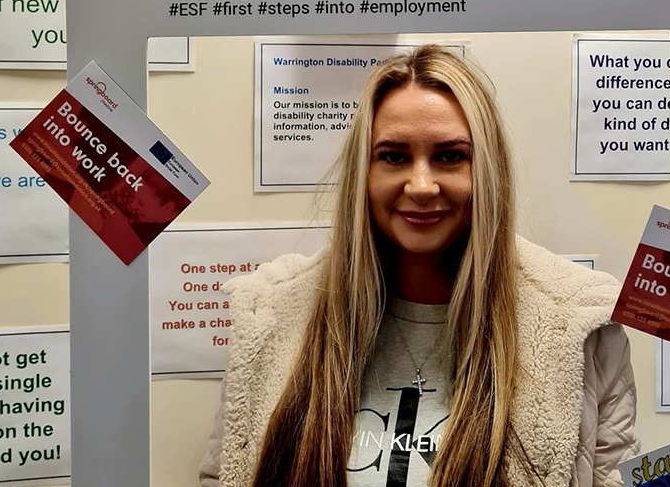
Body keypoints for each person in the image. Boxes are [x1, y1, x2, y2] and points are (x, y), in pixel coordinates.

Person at [200, 44, 639, 487]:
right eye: (394, 156)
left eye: (450, 156)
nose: (422, 185)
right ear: (363, 173)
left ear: (485, 170)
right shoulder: (270, 315)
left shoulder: (582, 325)